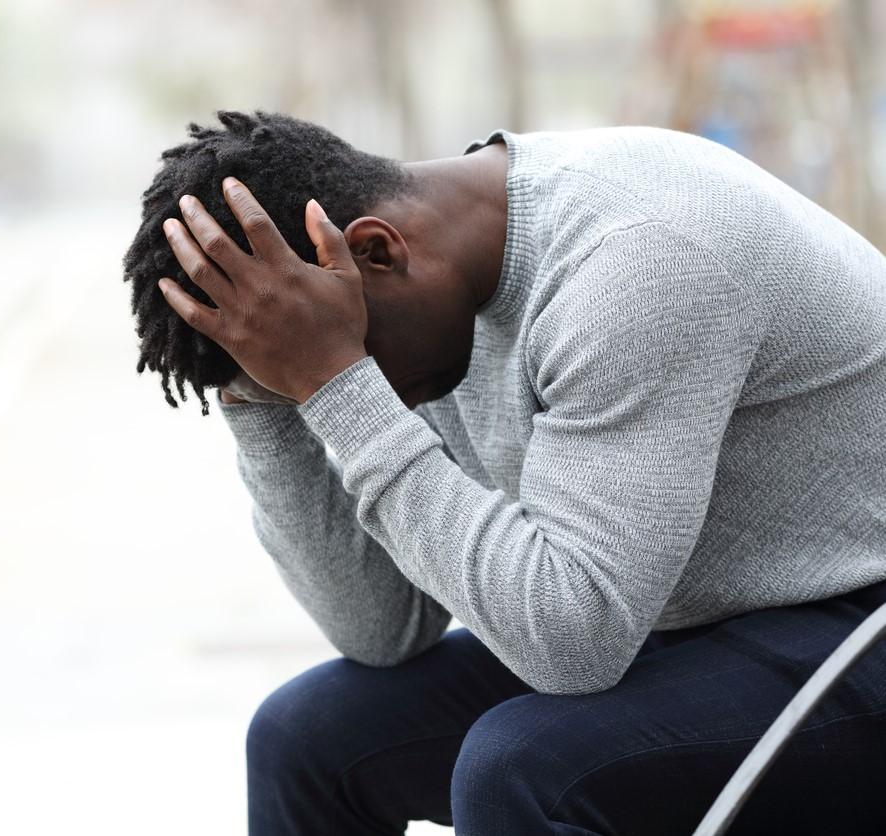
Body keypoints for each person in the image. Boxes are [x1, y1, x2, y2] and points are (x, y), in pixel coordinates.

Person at [122, 110, 886, 834]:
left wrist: (337, 381)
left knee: (525, 766)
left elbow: (575, 641)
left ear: (377, 251)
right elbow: (383, 630)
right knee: (306, 737)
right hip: (672, 619)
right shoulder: (411, 295)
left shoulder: (639, 256)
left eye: (341, 359)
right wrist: (266, 399)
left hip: (858, 622)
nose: (356, 390)